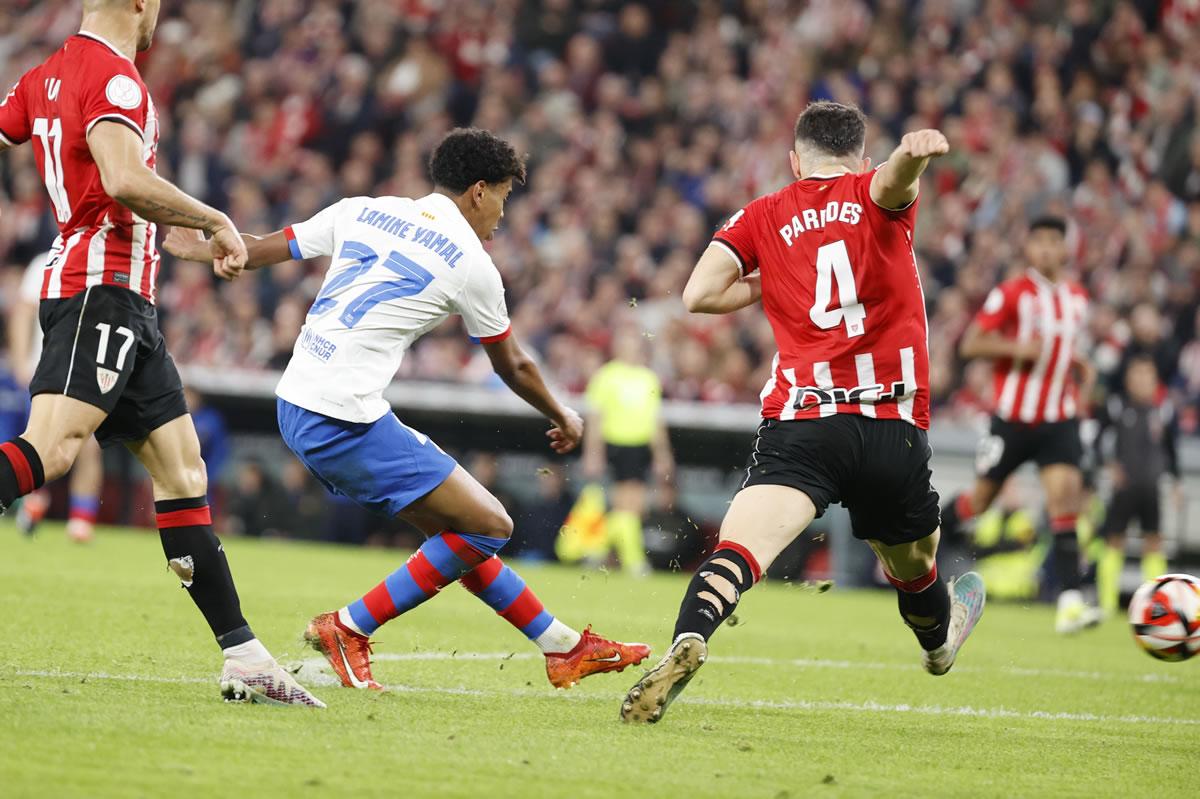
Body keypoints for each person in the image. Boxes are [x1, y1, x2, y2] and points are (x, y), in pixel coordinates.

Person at [165, 128, 651, 691]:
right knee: (492, 524)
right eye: (502, 197)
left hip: (297, 399)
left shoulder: (365, 210)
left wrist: (207, 250)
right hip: (342, 417)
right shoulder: (472, 263)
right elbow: (512, 365)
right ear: (476, 191)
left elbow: (260, 249)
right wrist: (563, 414)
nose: (500, 213)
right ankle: (349, 627)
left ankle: (562, 646)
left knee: (457, 535)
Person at [620, 101, 985, 724]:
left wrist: (777, 275)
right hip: (889, 428)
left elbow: (698, 294)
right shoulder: (873, 190)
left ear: (795, 160)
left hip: (803, 422)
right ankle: (937, 646)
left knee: (739, 550)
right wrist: (911, 157)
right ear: (861, 157)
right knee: (915, 564)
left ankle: (692, 636)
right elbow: (893, 185)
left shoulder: (763, 214)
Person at [0, 0, 321, 707]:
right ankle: (241, 652)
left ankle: (242, 655)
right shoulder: (116, 81)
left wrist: (187, 241)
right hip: (99, 292)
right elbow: (119, 179)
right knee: (51, 449)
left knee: (183, 469)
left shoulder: (43, 76)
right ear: (139, 5)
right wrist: (214, 216)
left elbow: (89, 181)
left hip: (123, 297)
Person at [941, 216, 1103, 634]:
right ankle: (921, 535)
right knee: (979, 502)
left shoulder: (1078, 298)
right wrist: (1018, 348)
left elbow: (1061, 348)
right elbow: (971, 342)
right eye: (1040, 241)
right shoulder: (1012, 294)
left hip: (1058, 418)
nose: (1047, 250)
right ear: (1028, 248)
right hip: (1012, 419)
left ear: (1066, 249)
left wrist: (1077, 365)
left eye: (1054, 241)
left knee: (1065, 500)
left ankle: (1069, 602)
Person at [8, 252, 104, 542]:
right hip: (48, 368)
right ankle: (34, 502)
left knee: (88, 447)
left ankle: (81, 520)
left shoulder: (105, 261)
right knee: (43, 444)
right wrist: (20, 361)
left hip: (89, 372)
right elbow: (23, 313)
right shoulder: (46, 262)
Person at [582, 325, 674, 574]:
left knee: (632, 506)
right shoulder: (606, 376)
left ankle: (597, 549)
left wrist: (661, 454)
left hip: (640, 447)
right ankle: (633, 561)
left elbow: (656, 420)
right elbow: (595, 419)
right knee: (628, 504)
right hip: (617, 445)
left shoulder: (649, 378)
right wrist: (593, 453)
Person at [1095, 355, 1179, 613]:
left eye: (1147, 375)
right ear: (1128, 380)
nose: (1142, 381)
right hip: (1125, 486)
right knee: (1114, 539)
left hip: (1152, 486)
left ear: (1155, 381)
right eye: (1137, 375)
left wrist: (1175, 481)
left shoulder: (1163, 410)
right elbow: (1097, 440)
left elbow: (1170, 449)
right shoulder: (1117, 406)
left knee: (1153, 541)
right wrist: (1109, 466)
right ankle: (1107, 603)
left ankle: (1155, 606)